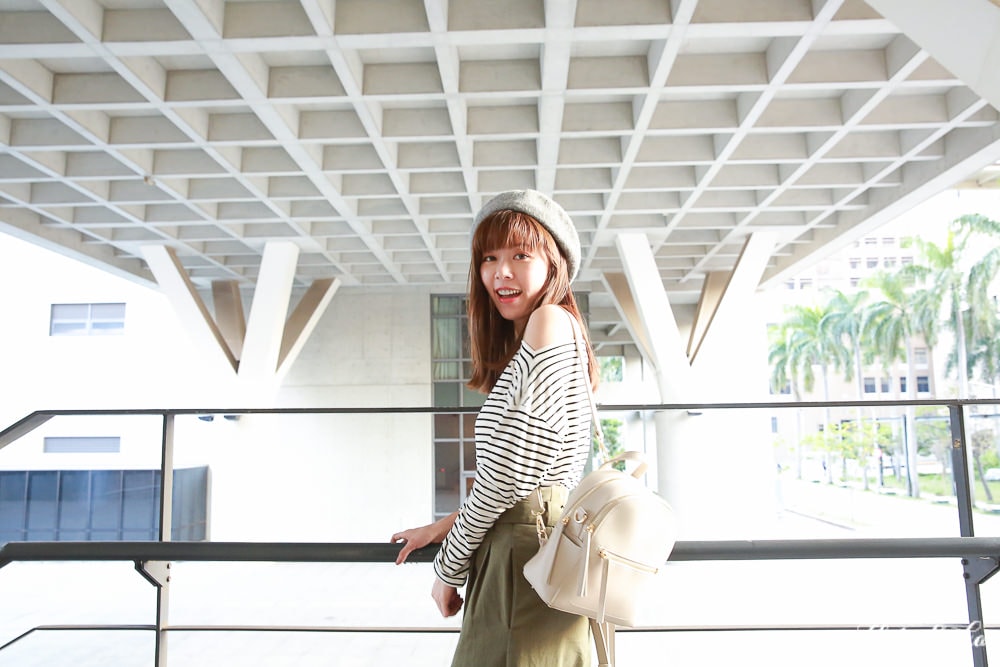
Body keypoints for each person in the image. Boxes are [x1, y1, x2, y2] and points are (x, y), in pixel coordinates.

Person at [391, 189, 599, 666]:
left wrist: (448, 567)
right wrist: (442, 527)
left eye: (520, 256)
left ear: (553, 265)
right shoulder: (548, 332)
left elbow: (511, 477)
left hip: (522, 559)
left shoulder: (549, 321)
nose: (501, 272)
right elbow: (522, 479)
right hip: (529, 550)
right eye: (489, 258)